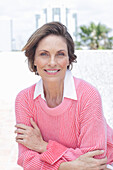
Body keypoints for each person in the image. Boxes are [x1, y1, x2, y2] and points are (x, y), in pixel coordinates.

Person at [15, 21, 113, 170]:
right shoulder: (24, 100)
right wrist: (66, 167)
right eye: (44, 54)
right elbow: (26, 159)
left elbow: (94, 162)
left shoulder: (88, 95)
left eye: (60, 54)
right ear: (34, 60)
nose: (52, 62)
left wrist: (43, 146)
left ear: (69, 59)